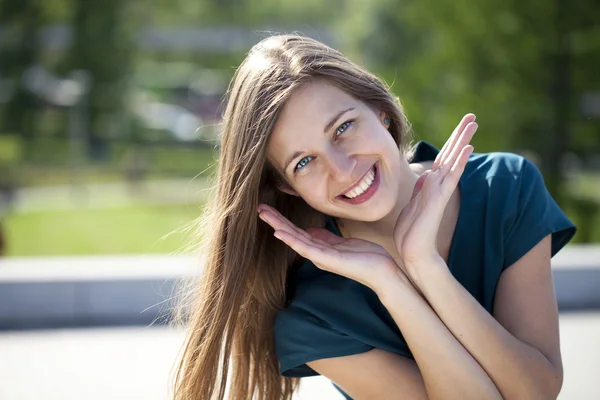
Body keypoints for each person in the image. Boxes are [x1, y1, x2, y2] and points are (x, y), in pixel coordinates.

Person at [173, 34, 576, 400]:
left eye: (344, 127)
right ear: (288, 188)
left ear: (382, 110)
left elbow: (536, 392)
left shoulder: (504, 189)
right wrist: (393, 284)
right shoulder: (312, 314)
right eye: (305, 162)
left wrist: (426, 266)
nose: (343, 169)